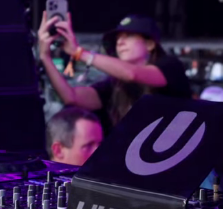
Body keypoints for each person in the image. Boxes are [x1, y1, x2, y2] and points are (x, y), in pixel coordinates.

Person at [38, 12, 193, 128]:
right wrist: (45, 57)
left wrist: (79, 53)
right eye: (118, 38)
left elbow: (132, 74)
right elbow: (71, 96)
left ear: (150, 44)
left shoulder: (170, 66)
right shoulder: (114, 85)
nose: (120, 42)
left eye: (129, 36)